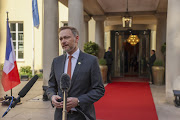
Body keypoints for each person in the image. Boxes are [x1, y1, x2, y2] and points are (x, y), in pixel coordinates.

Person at [46, 26, 105, 120]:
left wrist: (78, 101)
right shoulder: (56, 61)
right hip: (60, 116)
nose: (63, 41)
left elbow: (99, 89)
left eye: (66, 37)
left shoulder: (91, 61)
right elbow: (51, 86)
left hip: (83, 115)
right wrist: (52, 96)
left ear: (76, 38)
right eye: (61, 38)